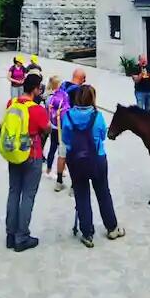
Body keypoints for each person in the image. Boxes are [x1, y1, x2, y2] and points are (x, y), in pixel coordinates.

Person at [61, 84, 125, 247]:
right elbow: (102, 136)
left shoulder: (67, 116)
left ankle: (87, 233)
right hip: (97, 159)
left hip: (76, 160)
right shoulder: (98, 116)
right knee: (103, 192)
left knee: (81, 194)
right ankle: (112, 227)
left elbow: (66, 139)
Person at [2, 73, 50, 252]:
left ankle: (10, 234)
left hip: (14, 152)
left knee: (14, 192)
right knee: (28, 195)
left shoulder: (12, 103)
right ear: (36, 89)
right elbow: (46, 128)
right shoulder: (37, 109)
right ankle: (22, 236)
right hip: (32, 153)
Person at [44, 76, 69, 182]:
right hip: (57, 126)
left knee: (56, 147)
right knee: (58, 148)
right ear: (57, 85)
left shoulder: (50, 96)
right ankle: (52, 170)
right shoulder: (54, 96)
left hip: (54, 125)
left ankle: (56, 168)